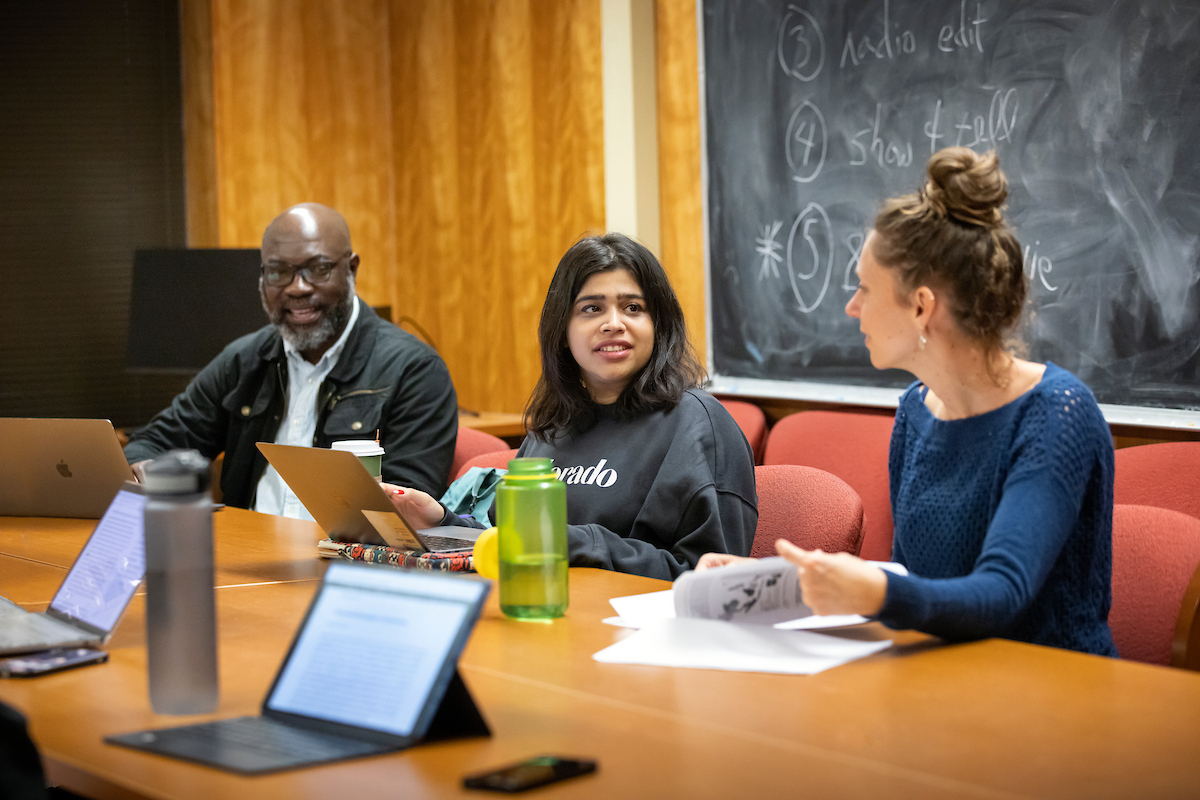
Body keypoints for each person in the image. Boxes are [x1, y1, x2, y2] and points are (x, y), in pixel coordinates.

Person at [700, 147, 1118, 656]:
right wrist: (785, 581)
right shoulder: (917, 412)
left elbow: (1000, 595)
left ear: (921, 307)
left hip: (1055, 696)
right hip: (944, 677)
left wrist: (871, 589)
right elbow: (918, 589)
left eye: (864, 290)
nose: (852, 307)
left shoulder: (1057, 414)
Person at [387, 233, 757, 579]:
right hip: (540, 619)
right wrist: (440, 521)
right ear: (562, 331)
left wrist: (581, 544)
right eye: (592, 309)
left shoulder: (700, 426)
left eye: (633, 307)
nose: (614, 324)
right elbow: (515, 541)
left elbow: (713, 579)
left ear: (658, 324)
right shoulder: (553, 426)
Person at [124, 203, 458, 515]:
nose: (297, 288)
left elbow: (408, 509)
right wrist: (146, 467)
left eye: (318, 269)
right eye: (279, 272)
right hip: (243, 560)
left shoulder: (414, 371)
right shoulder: (244, 361)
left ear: (352, 269)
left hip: (343, 564)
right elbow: (153, 443)